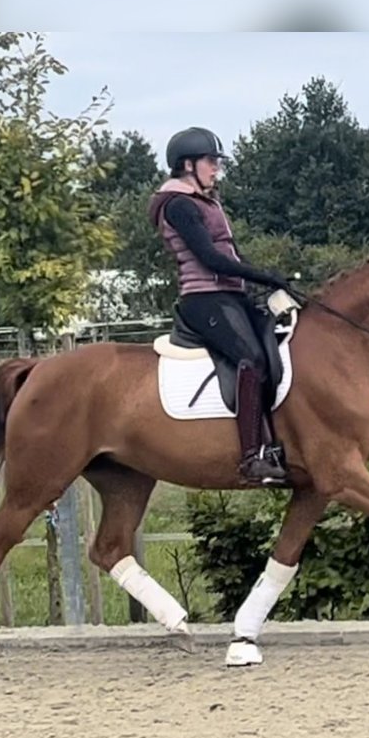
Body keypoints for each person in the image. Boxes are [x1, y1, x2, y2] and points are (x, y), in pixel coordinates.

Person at [148, 126, 296, 486]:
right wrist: (264, 275)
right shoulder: (179, 205)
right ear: (187, 165)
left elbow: (230, 254)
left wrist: (261, 285)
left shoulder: (206, 201)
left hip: (230, 296)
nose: (217, 169)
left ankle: (275, 442)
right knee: (252, 358)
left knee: (273, 346)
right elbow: (210, 259)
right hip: (204, 299)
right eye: (211, 162)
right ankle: (252, 457)